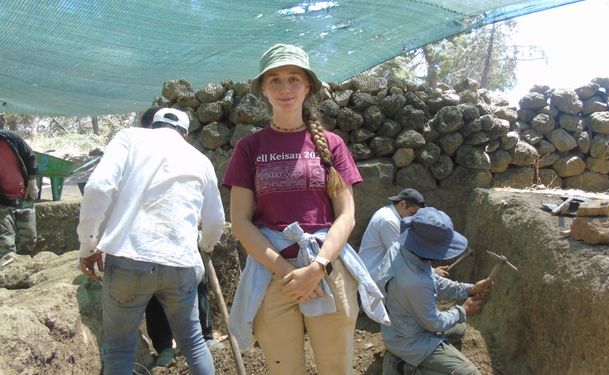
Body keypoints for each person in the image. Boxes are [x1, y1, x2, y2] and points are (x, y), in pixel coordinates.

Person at [223, 43, 389, 375]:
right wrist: (287, 273)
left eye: (293, 79)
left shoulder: (333, 144)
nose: (285, 88)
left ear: (308, 85)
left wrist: (318, 268)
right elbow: (240, 221)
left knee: (335, 369)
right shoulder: (249, 148)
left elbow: (346, 215)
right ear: (264, 90)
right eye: (275, 81)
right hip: (274, 276)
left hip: (328, 269)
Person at [77, 108, 225, 375]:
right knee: (193, 342)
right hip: (180, 263)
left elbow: (98, 187)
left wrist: (88, 245)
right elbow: (215, 221)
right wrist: (205, 247)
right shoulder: (199, 159)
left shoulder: (129, 138)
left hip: (127, 258)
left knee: (120, 349)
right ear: (186, 135)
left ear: (152, 126)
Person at [137, 106, 220, 367]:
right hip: (152, 240)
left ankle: (199, 338)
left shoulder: (189, 158)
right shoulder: (140, 157)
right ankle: (168, 345)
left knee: (196, 285)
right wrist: (207, 240)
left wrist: (203, 240)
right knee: (158, 293)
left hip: (176, 238)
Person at [377, 207, 492, 375]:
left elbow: (434, 279)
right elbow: (434, 323)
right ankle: (403, 365)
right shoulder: (415, 281)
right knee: (470, 373)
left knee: (459, 329)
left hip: (403, 325)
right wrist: (464, 310)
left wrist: (469, 289)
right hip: (410, 340)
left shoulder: (402, 249)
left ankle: (413, 358)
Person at [359, 188, 448, 280]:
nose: (414, 218)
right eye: (412, 213)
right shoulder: (389, 221)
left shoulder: (390, 213)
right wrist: (432, 272)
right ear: (402, 204)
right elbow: (403, 257)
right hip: (372, 278)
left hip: (377, 275)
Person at [0, 129, 39, 256]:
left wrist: (32, 182)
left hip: (24, 196)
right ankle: (7, 270)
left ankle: (24, 266)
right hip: (2, 201)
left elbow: (30, 157)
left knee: (30, 238)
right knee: (5, 243)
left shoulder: (12, 138)